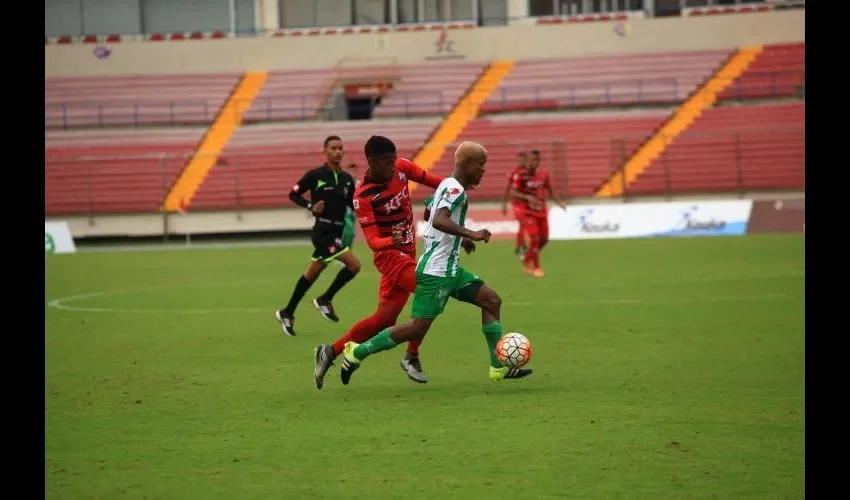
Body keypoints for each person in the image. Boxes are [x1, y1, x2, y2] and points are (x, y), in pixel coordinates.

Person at [337, 141, 534, 384]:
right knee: (416, 328)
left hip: (451, 269)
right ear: (467, 164)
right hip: (436, 273)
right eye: (481, 165)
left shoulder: (448, 185)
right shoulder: (454, 190)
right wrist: (469, 233)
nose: (483, 170)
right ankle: (356, 352)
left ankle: (498, 367)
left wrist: (458, 239)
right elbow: (439, 219)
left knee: (491, 300)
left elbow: (430, 212)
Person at [312, 135, 445, 389]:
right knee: (431, 289)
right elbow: (373, 242)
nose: (393, 166)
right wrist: (390, 241)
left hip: (408, 254)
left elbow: (436, 183)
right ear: (371, 162)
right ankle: (412, 356)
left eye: (394, 160)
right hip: (389, 257)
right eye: (386, 162)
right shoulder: (363, 195)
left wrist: (453, 189)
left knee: (384, 320)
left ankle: (330, 351)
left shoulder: (402, 168)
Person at [275, 135, 362, 336]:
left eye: (341, 148)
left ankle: (287, 312)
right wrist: (310, 206)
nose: (338, 152)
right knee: (354, 265)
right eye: (333, 148)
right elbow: (294, 193)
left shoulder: (347, 180)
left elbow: (352, 204)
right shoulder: (316, 175)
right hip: (322, 232)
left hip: (337, 231)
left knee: (312, 274)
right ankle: (325, 299)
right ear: (325, 151)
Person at [510, 149, 565, 277]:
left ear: (539, 161)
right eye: (531, 160)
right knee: (534, 238)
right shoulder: (520, 175)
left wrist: (559, 202)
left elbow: (550, 190)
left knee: (544, 239)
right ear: (527, 161)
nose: (533, 162)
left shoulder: (544, 174)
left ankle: (527, 257)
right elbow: (513, 193)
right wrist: (527, 197)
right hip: (528, 211)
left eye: (536, 160)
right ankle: (537, 268)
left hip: (542, 210)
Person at [502, 151, 529, 260]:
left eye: (523, 159)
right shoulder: (515, 173)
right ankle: (522, 247)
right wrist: (504, 204)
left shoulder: (529, 173)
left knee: (524, 225)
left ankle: (520, 246)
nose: (521, 162)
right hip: (517, 203)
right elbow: (508, 189)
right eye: (519, 160)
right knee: (522, 223)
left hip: (527, 203)